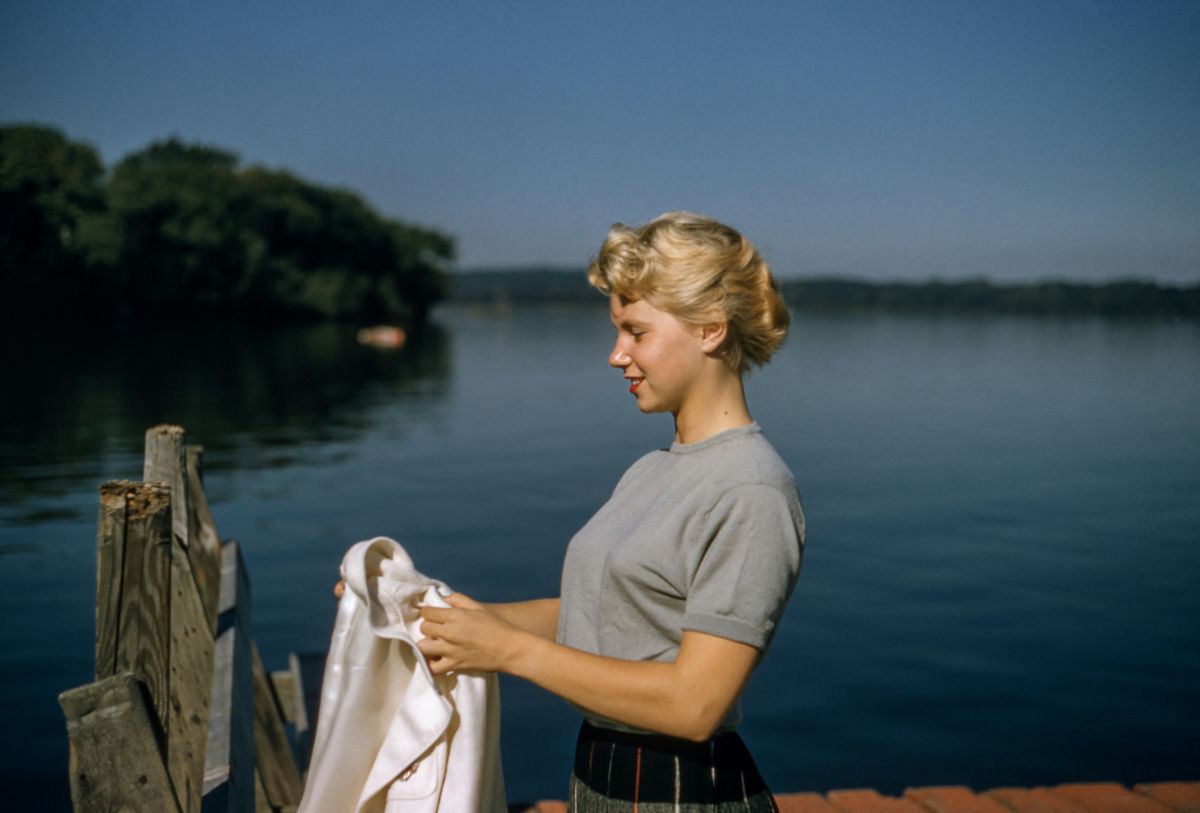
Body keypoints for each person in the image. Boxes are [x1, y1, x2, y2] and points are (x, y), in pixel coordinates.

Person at [418, 211, 806, 811]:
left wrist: (509, 653)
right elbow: (601, 612)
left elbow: (695, 705)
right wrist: (447, 617)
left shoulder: (752, 488)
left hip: (680, 794)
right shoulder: (653, 468)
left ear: (709, 330)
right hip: (601, 779)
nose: (615, 355)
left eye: (636, 332)